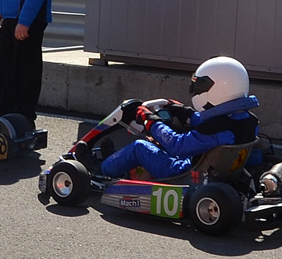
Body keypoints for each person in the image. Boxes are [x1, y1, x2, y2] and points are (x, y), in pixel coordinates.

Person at [99, 56, 260, 180]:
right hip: (214, 168)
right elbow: (210, 123)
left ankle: (101, 171)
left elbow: (178, 146)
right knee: (158, 141)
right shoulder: (247, 120)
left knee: (140, 147)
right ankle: (118, 164)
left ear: (218, 89)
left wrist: (151, 121)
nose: (196, 90)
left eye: (200, 86)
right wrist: (184, 112)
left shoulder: (215, 128)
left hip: (184, 172)